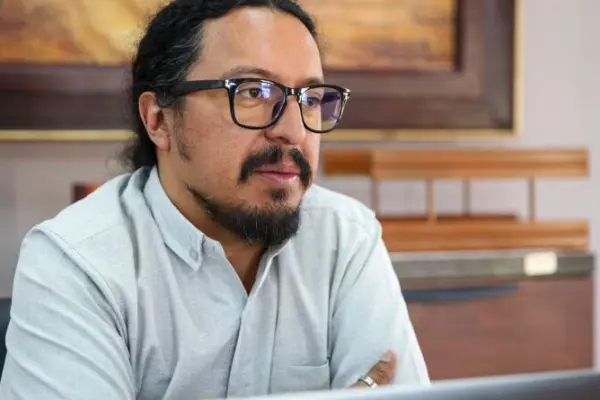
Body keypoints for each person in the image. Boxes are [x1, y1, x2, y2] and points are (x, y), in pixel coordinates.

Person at [0, 0, 429, 398]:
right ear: (159, 119)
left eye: (311, 99)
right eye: (253, 92)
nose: (294, 131)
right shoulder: (76, 264)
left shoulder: (345, 238)